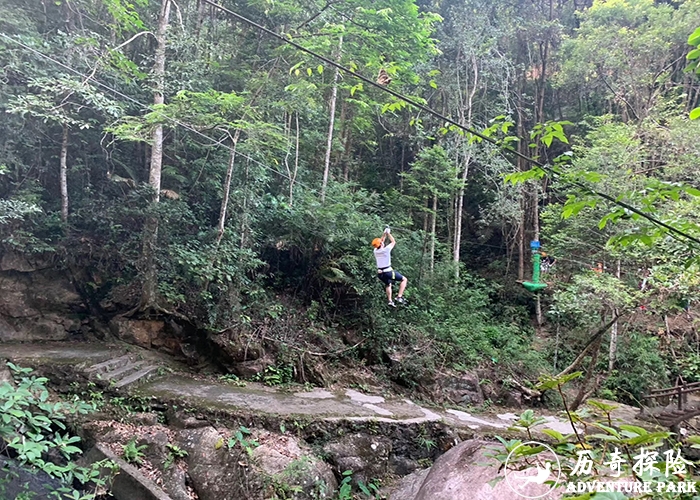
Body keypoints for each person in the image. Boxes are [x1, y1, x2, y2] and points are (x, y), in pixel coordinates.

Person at [372, 227, 408, 307]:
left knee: (388, 285)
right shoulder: (386, 250)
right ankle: (399, 297)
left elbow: (381, 242)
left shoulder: (375, 251)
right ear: (381, 244)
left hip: (380, 274)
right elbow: (393, 242)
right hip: (388, 272)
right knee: (404, 279)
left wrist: (384, 234)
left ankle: (390, 301)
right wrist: (388, 234)